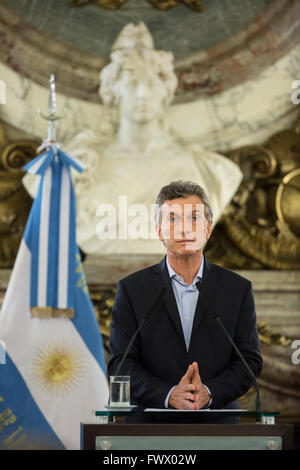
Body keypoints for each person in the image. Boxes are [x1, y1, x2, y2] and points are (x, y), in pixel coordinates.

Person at [108, 180, 263, 423]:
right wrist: (168, 394)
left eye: (194, 218)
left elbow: (249, 361)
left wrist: (209, 393)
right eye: (173, 219)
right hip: (149, 429)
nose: (184, 229)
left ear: (208, 229)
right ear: (159, 231)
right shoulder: (131, 289)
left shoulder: (238, 289)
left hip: (218, 427)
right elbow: (121, 363)